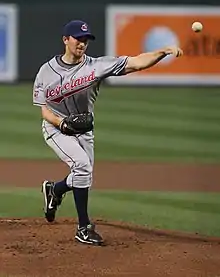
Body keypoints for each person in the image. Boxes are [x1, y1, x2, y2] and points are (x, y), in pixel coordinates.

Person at [32, 19, 183, 246]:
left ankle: (55, 189)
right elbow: (44, 110)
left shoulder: (97, 66)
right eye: (78, 39)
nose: (82, 43)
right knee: (82, 167)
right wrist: (62, 124)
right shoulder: (46, 71)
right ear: (65, 40)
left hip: (83, 130)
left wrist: (162, 51)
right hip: (56, 129)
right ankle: (83, 227)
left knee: (84, 175)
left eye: (86, 40)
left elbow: (136, 63)